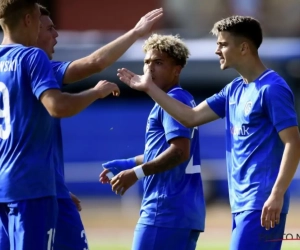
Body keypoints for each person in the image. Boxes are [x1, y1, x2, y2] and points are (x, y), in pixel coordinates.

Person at [117, 16, 300, 250]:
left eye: (223, 44)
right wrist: (149, 87)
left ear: (243, 47)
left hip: (261, 202)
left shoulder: (272, 89)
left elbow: (293, 143)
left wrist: (277, 194)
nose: (217, 50)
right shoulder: (234, 88)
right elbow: (190, 117)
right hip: (242, 204)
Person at [36, 4, 163, 250]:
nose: (57, 34)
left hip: (25, 188)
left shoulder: (8, 65)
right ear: (28, 24)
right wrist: (136, 32)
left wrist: (52, 185)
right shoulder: (34, 62)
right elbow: (95, 62)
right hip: (33, 192)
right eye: (49, 28)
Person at [0, 1, 119, 250]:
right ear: (29, 19)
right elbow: (58, 107)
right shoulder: (32, 56)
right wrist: (95, 93)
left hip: (7, 186)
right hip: (30, 187)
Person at [100, 34, 206, 250]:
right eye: (147, 62)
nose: (150, 68)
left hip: (165, 210)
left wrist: (136, 174)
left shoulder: (174, 99)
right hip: (182, 212)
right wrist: (128, 163)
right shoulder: (179, 99)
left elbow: (179, 152)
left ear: (177, 70)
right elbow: (164, 150)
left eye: (158, 63)